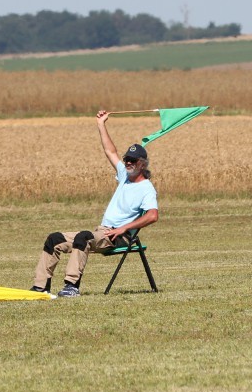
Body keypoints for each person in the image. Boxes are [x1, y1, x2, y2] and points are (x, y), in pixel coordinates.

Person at [31, 110, 159, 297]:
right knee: (54, 239)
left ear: (142, 164)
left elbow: (153, 215)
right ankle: (40, 287)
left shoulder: (146, 188)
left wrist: (123, 229)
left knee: (83, 237)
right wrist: (101, 124)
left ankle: (71, 286)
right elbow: (110, 151)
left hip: (117, 236)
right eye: (126, 160)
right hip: (102, 231)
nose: (128, 163)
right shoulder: (124, 176)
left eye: (132, 161)